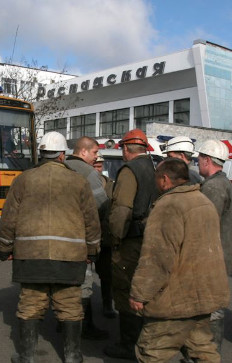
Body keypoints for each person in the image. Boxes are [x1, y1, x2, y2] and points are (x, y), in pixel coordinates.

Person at [0, 131, 101, 363]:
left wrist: (4, 248)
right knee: (70, 307)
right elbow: (91, 221)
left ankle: (26, 356)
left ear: (42, 153)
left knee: (31, 305)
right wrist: (92, 250)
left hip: (31, 257)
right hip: (70, 258)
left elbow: (9, 217)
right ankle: (73, 356)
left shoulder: (23, 179)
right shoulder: (79, 181)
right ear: (62, 155)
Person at [129, 158, 230, 362]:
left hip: (175, 301)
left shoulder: (168, 205)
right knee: (202, 350)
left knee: (151, 353)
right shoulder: (203, 201)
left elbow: (157, 258)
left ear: (165, 179)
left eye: (156, 178)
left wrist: (139, 294)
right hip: (203, 296)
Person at [105, 128, 160, 360]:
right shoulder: (155, 168)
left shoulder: (129, 171)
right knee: (145, 290)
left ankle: (128, 345)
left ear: (126, 149)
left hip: (131, 241)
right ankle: (147, 340)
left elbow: (122, 210)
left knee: (126, 290)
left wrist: (114, 238)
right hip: (151, 238)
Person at [64, 136, 110, 340]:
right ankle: (83, 327)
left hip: (60, 236)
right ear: (83, 152)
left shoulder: (61, 166)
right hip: (81, 237)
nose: (96, 157)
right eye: (94, 153)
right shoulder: (88, 172)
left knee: (65, 284)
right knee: (84, 283)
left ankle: (64, 323)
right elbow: (101, 204)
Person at [197, 140, 232, 354]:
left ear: (207, 159)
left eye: (199, 158)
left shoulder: (213, 187)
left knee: (211, 308)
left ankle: (209, 354)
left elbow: (204, 225)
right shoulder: (222, 182)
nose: (197, 162)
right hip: (220, 255)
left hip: (212, 257)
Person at [93, 153, 118, 319]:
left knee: (106, 275)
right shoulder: (83, 182)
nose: (97, 169)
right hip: (86, 236)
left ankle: (107, 304)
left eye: (99, 166)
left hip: (105, 237)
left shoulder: (111, 185)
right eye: (94, 165)